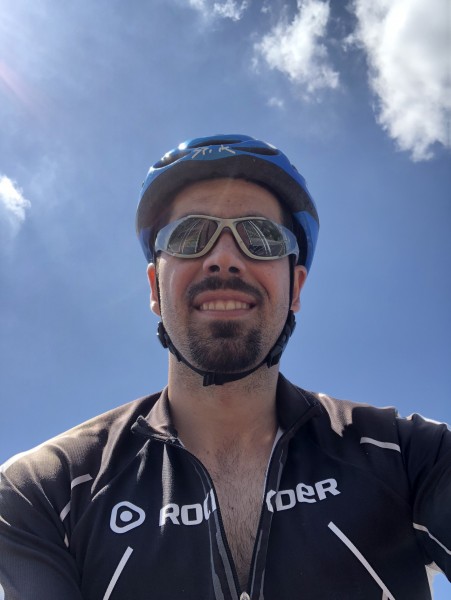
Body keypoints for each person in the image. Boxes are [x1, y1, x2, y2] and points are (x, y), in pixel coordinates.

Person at [0, 134, 450, 600]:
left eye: (261, 237)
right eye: (189, 235)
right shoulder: (45, 489)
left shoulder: (410, 454)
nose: (223, 259)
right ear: (155, 288)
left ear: (295, 288)